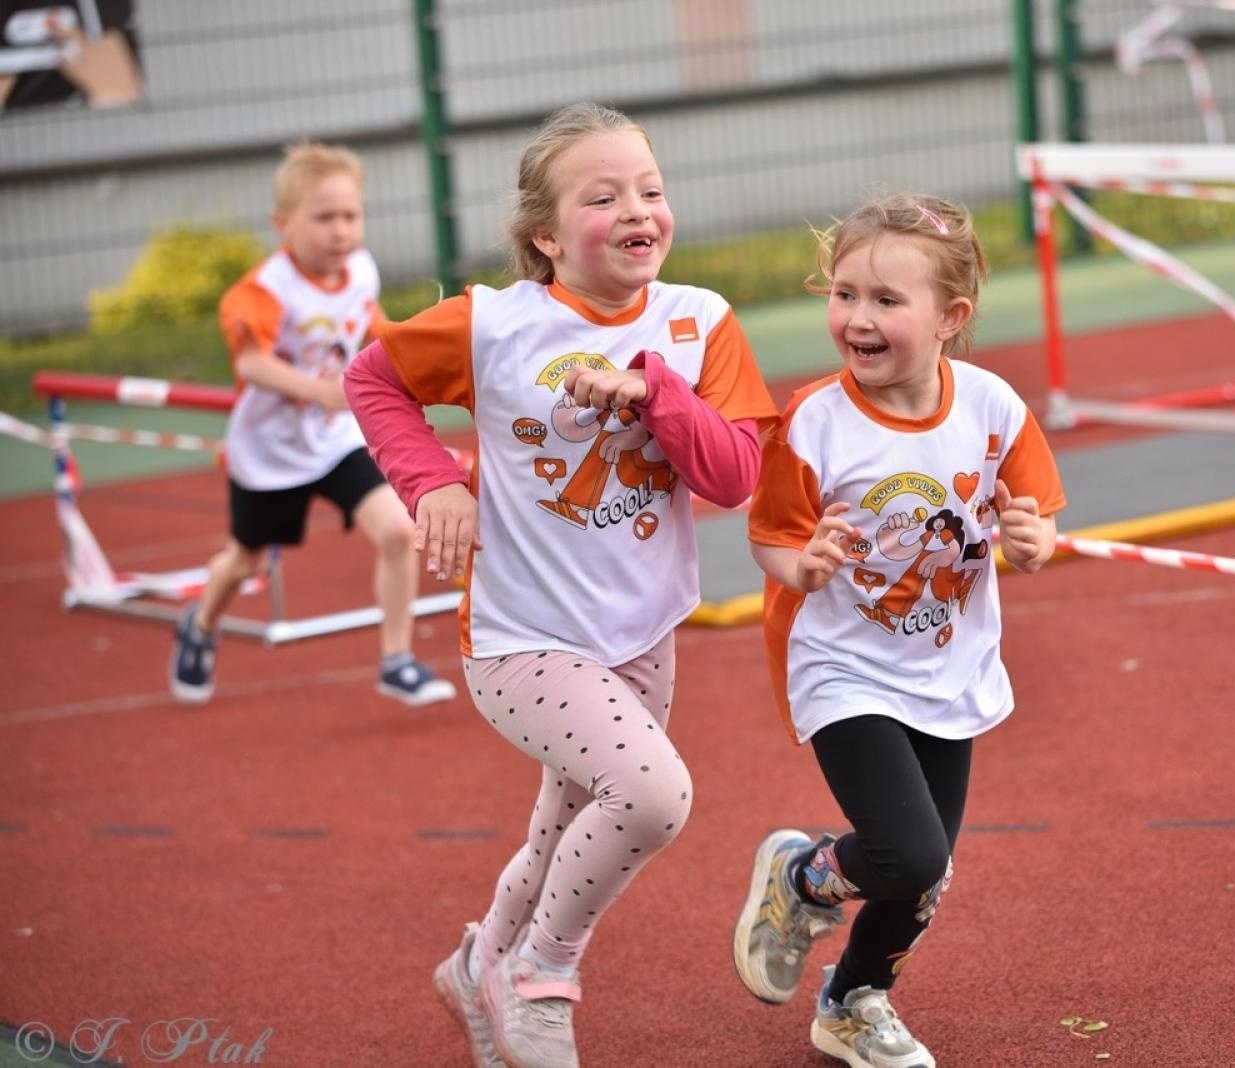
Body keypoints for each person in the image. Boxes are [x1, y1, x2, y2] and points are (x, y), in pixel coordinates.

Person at [342, 102, 777, 1068]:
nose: (641, 209)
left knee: (565, 826)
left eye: (652, 191)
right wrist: (433, 484)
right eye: (605, 196)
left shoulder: (701, 322)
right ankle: (538, 976)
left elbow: (734, 476)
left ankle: (477, 963)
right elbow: (373, 381)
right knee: (651, 795)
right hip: (518, 636)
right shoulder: (493, 326)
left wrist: (657, 389)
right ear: (545, 235)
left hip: (640, 632)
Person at [733, 193, 1066, 1068]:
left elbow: (1034, 521)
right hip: (842, 664)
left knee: (924, 873)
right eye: (844, 294)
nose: (857, 318)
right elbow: (770, 537)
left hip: (947, 670)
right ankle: (803, 879)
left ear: (951, 318)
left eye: (886, 301)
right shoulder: (813, 420)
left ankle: (850, 1002)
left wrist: (1034, 543)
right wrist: (801, 565)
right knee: (907, 850)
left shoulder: (993, 408)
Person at [168, 142, 456, 708]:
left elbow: (369, 326)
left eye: (350, 216)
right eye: (324, 218)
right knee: (246, 558)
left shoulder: (361, 271)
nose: (340, 230)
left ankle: (397, 659)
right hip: (272, 451)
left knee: (398, 530)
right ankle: (200, 624)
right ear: (284, 224)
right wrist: (324, 391)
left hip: (335, 439)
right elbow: (251, 362)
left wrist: (414, 352)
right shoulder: (267, 289)